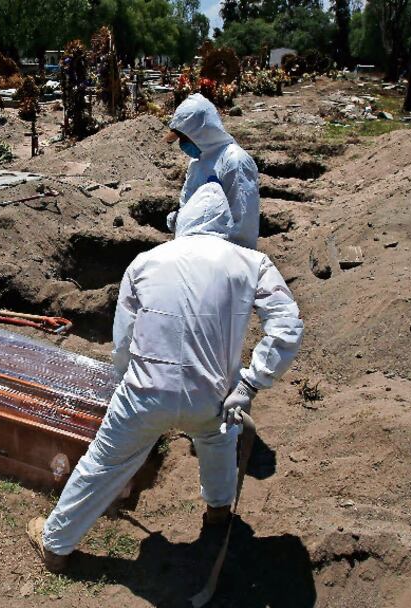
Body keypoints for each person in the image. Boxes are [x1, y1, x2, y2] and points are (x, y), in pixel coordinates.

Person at [27, 181, 303, 572]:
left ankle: (56, 546)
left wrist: (123, 378)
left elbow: (123, 337)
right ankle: (218, 514)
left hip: (144, 394)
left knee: (103, 463)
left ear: (185, 217)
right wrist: (249, 384)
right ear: (224, 223)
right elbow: (287, 325)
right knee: (218, 440)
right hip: (213, 395)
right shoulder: (251, 262)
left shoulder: (146, 261)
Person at [165, 93, 260, 249]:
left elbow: (243, 225)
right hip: (192, 251)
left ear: (200, 133)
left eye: (184, 138)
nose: (182, 144)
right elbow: (191, 204)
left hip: (221, 255)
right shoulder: (197, 161)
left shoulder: (234, 161)